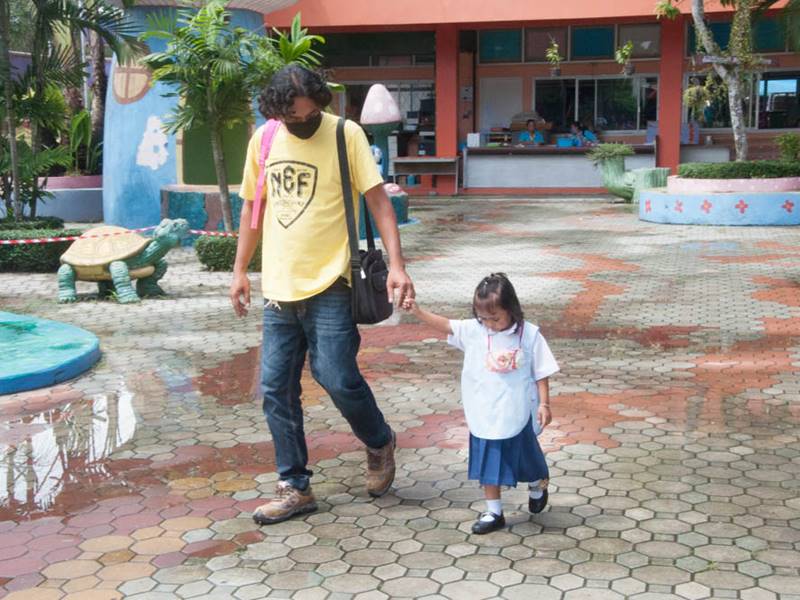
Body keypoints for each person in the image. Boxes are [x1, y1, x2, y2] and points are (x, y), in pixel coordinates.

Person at [230, 65, 415, 525]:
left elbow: (378, 202)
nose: (302, 123)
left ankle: (379, 440)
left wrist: (397, 265)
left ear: (320, 105)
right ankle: (294, 486)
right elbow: (253, 208)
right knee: (275, 388)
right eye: (293, 118)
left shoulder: (344, 135)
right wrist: (239, 271)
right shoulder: (264, 139)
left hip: (333, 281)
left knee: (335, 376)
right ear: (277, 111)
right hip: (279, 286)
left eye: (309, 115)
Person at [402, 273, 558, 534]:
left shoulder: (529, 334)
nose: (489, 324)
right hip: (484, 412)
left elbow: (541, 371)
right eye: (483, 318)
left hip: (517, 410)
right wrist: (417, 311)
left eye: (495, 318)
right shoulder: (474, 331)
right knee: (488, 459)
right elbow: (446, 325)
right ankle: (493, 511)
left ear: (511, 309)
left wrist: (544, 404)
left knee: (525, 456)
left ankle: (537, 482)